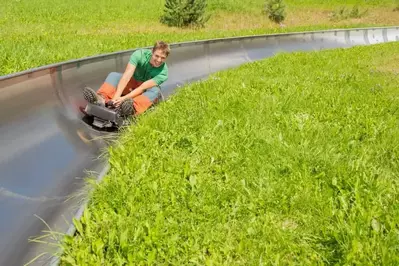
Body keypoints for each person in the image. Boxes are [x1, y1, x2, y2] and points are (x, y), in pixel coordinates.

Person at [82, 41, 170, 117]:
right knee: (114, 75)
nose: (159, 60)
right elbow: (127, 75)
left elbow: (142, 88)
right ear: (152, 52)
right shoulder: (139, 55)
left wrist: (123, 99)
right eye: (157, 56)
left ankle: (131, 108)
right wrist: (116, 97)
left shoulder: (163, 73)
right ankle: (101, 99)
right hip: (132, 82)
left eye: (162, 58)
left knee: (155, 91)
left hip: (143, 91)